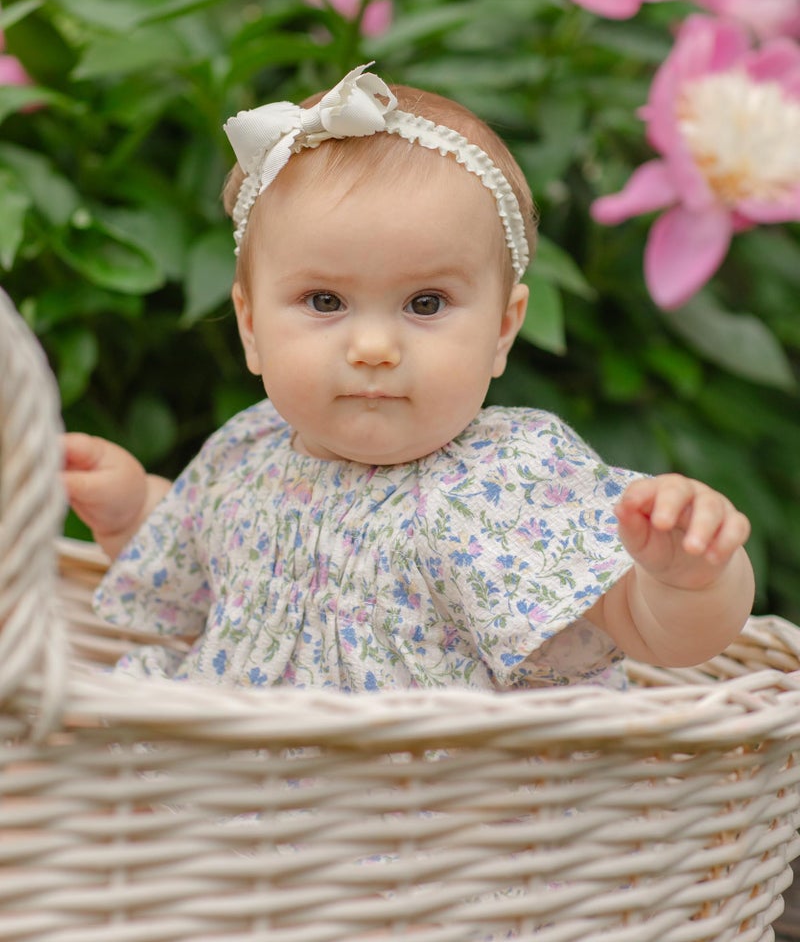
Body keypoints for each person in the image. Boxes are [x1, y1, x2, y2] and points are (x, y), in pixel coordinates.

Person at [63, 64, 754, 692]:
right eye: (324, 302)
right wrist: (131, 513)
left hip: (437, 809)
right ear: (250, 327)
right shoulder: (247, 456)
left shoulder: (505, 483)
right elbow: (187, 570)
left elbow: (644, 629)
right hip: (241, 791)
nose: (372, 347)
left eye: (425, 304)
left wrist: (686, 580)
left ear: (503, 329)